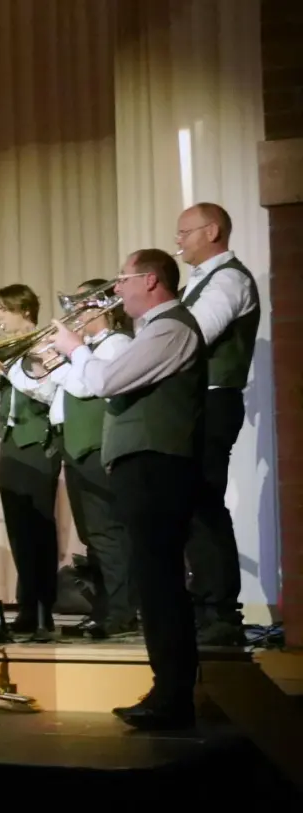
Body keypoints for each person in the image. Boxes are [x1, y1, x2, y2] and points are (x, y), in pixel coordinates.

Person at [50, 248, 203, 730]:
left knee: (160, 584)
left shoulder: (172, 327)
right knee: (155, 581)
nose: (116, 289)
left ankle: (173, 695)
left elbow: (105, 380)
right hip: (144, 467)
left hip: (158, 468)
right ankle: (168, 690)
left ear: (152, 281)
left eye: (123, 279)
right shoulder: (153, 330)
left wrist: (76, 347)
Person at [175, 202, 258, 645]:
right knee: (192, 506)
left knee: (204, 504)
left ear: (212, 231)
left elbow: (194, 334)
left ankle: (220, 612)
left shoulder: (228, 279)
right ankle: (205, 605)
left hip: (213, 401)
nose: (178, 241)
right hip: (194, 404)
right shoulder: (201, 282)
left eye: (184, 232)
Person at [32, 281, 135, 638]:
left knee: (108, 534)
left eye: (82, 307)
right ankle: (105, 609)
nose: (75, 315)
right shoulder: (85, 350)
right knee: (93, 536)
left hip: (96, 447)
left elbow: (87, 386)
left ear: (102, 309)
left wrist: (63, 360)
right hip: (73, 446)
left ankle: (122, 613)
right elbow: (56, 396)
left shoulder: (117, 344)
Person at [0, 285, 60, 637]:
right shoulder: (7, 349)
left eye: (2, 310)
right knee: (19, 531)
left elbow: (48, 390)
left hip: (40, 443)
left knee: (40, 527)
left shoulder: (46, 343)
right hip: (11, 442)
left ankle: (44, 608)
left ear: (22, 310)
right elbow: (1, 405)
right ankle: (27, 605)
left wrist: (8, 371)